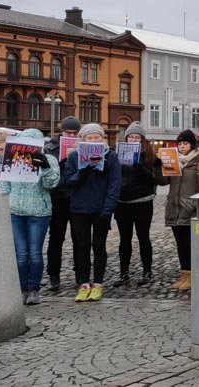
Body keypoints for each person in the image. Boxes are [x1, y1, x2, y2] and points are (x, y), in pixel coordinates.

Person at [0, 128, 59, 305]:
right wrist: (8, 204)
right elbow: (5, 186)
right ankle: (22, 289)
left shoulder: (50, 159)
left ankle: (34, 289)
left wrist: (45, 166)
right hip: (16, 212)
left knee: (35, 253)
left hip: (39, 212)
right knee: (21, 254)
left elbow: (51, 184)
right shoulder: (11, 156)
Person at [64, 122, 122, 302]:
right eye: (90, 137)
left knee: (99, 246)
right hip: (79, 209)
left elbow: (114, 184)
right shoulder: (74, 157)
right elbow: (68, 182)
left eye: (97, 137)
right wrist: (84, 170)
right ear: (83, 140)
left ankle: (98, 283)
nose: (94, 139)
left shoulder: (110, 156)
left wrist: (108, 209)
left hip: (100, 209)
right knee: (81, 246)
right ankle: (83, 283)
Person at [160, 129, 199, 292]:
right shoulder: (174, 161)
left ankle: (194, 275)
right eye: (180, 143)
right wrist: (159, 165)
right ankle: (185, 274)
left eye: (185, 143)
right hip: (175, 208)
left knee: (190, 244)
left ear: (192, 145)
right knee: (180, 244)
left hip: (191, 208)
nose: (182, 146)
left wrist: (196, 204)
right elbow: (163, 181)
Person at [113, 122, 158, 287]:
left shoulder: (149, 156)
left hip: (142, 202)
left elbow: (154, 179)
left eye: (137, 137)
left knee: (143, 237)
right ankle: (123, 273)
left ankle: (147, 271)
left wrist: (139, 165)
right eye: (131, 136)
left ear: (142, 140)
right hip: (122, 202)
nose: (133, 139)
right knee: (124, 239)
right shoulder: (117, 154)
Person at [46, 115, 81, 292]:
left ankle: (80, 274)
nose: (73, 136)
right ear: (62, 133)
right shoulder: (50, 148)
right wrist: (61, 162)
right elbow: (46, 174)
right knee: (56, 239)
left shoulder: (83, 146)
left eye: (75, 133)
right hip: (57, 198)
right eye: (69, 132)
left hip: (77, 198)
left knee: (79, 240)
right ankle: (53, 274)